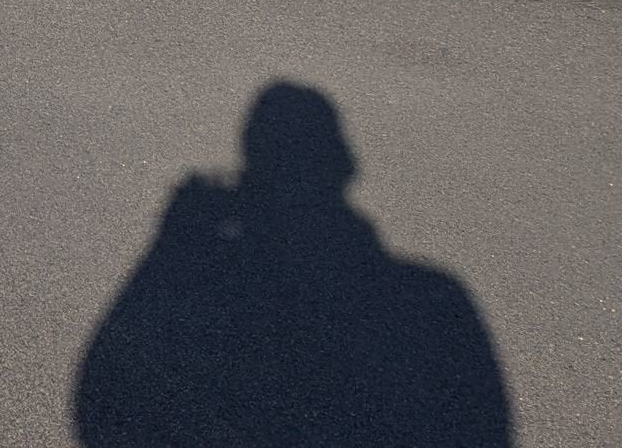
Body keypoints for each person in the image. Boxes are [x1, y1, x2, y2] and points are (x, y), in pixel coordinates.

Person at [74, 82, 512, 446]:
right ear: (345, 165)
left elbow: (102, 399)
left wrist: (170, 246)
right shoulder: (433, 297)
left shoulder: (218, 287)